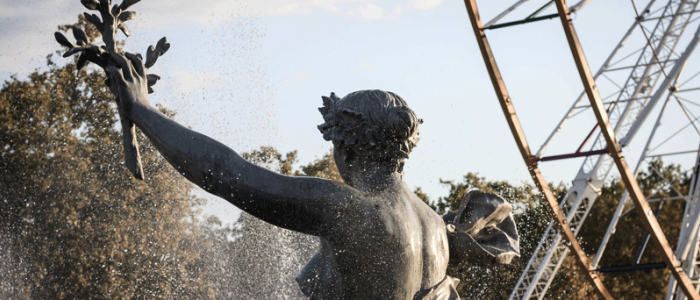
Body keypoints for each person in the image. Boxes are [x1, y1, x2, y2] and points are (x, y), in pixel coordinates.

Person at [104, 50, 519, 300]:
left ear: (346, 146)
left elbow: (224, 172)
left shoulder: (348, 208)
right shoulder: (436, 227)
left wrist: (141, 109)